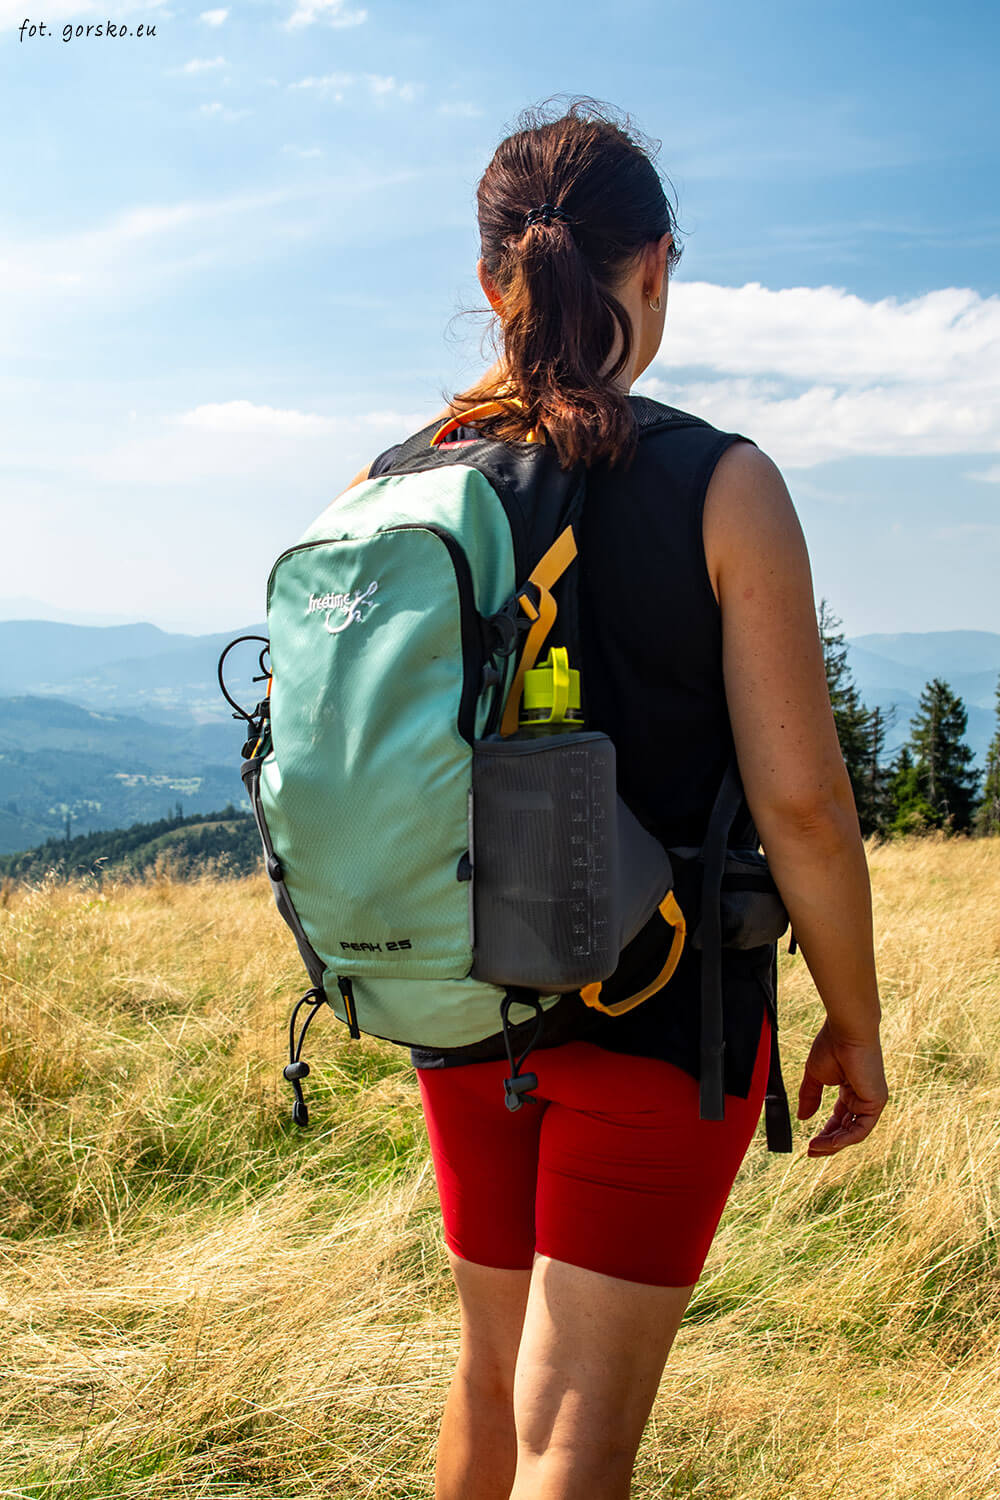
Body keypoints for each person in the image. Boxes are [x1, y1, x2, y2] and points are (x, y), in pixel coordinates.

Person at [347, 98, 888, 1500]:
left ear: (493, 282)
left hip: (461, 1003)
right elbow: (808, 809)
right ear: (657, 266)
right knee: (576, 1437)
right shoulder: (723, 483)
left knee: (490, 1384)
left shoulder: (396, 486)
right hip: (664, 1011)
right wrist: (857, 1018)